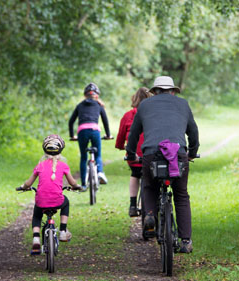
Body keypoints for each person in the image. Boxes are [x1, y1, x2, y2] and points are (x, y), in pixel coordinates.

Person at [126, 76, 199, 253]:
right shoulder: (183, 104)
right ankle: (186, 241)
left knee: (149, 187)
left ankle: (150, 216)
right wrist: (191, 153)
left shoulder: (144, 106)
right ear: (173, 90)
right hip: (178, 154)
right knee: (181, 195)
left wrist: (130, 154)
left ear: (155, 91)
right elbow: (193, 131)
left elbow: (134, 134)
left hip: (151, 154)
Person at [20, 134, 81, 255]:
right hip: (58, 200)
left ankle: (36, 238)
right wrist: (76, 186)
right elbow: (72, 182)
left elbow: (29, 182)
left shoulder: (40, 165)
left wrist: (23, 187)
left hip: (42, 200)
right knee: (66, 202)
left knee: (37, 215)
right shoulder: (63, 166)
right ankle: (63, 231)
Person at [115, 87, 152, 217]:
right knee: (152, 177)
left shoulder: (128, 115)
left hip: (133, 154)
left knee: (135, 174)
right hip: (151, 154)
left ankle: (132, 204)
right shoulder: (153, 114)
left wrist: (120, 146)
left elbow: (120, 136)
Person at [69, 82, 112, 191]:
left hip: (82, 131)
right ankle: (100, 173)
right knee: (97, 154)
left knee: (84, 156)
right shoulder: (99, 105)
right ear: (97, 95)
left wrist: (72, 136)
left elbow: (71, 122)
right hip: (94, 131)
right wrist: (108, 135)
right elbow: (105, 122)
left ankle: (83, 185)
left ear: (85, 95)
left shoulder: (80, 105)